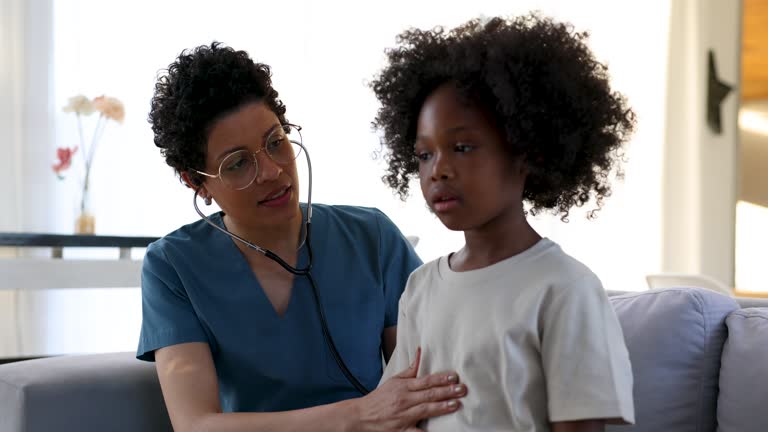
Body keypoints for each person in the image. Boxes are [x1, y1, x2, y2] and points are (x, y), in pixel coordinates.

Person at [137, 42, 466, 432]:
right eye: (238, 163)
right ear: (196, 182)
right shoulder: (172, 266)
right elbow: (196, 425)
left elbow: (422, 387)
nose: (272, 171)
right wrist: (360, 415)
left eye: (276, 142)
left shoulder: (372, 238)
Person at [370, 14, 636, 432]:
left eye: (462, 146)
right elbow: (401, 416)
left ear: (528, 153)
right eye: (424, 154)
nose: (437, 170)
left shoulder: (565, 289)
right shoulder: (420, 289)